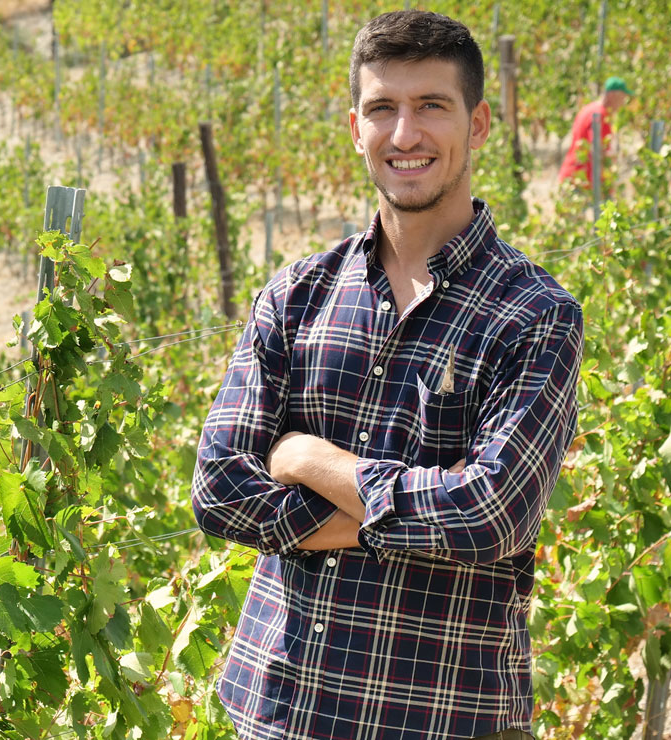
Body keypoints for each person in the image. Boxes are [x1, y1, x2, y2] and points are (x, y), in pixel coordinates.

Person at [191, 9, 584, 740]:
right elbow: (218, 490)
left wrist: (311, 459)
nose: (405, 134)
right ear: (354, 127)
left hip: (443, 719)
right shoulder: (296, 294)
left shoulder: (534, 316)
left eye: (431, 106)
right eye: (383, 109)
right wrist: (404, 515)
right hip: (280, 714)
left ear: (481, 124)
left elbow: (492, 513)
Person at [557, 76, 633, 188]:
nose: (622, 104)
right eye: (622, 98)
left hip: (575, 177)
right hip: (582, 182)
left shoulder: (590, 109)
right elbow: (596, 150)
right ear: (612, 95)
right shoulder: (600, 115)